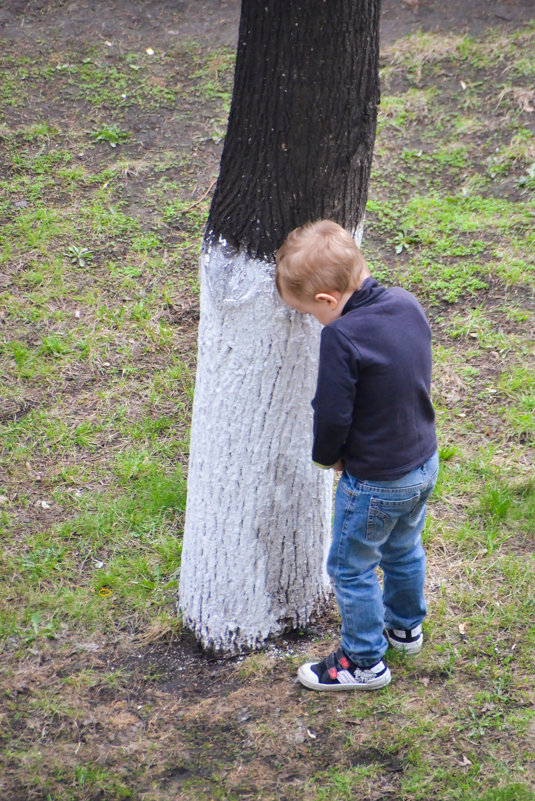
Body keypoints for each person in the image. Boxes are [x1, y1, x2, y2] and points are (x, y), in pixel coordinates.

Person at [275, 220, 438, 691]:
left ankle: (365, 660)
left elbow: (331, 414)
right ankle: (405, 628)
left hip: (375, 480)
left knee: (352, 565)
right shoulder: (406, 303)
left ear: (326, 300)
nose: (314, 321)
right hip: (422, 461)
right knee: (404, 547)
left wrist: (329, 457)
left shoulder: (341, 337)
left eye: (309, 312)